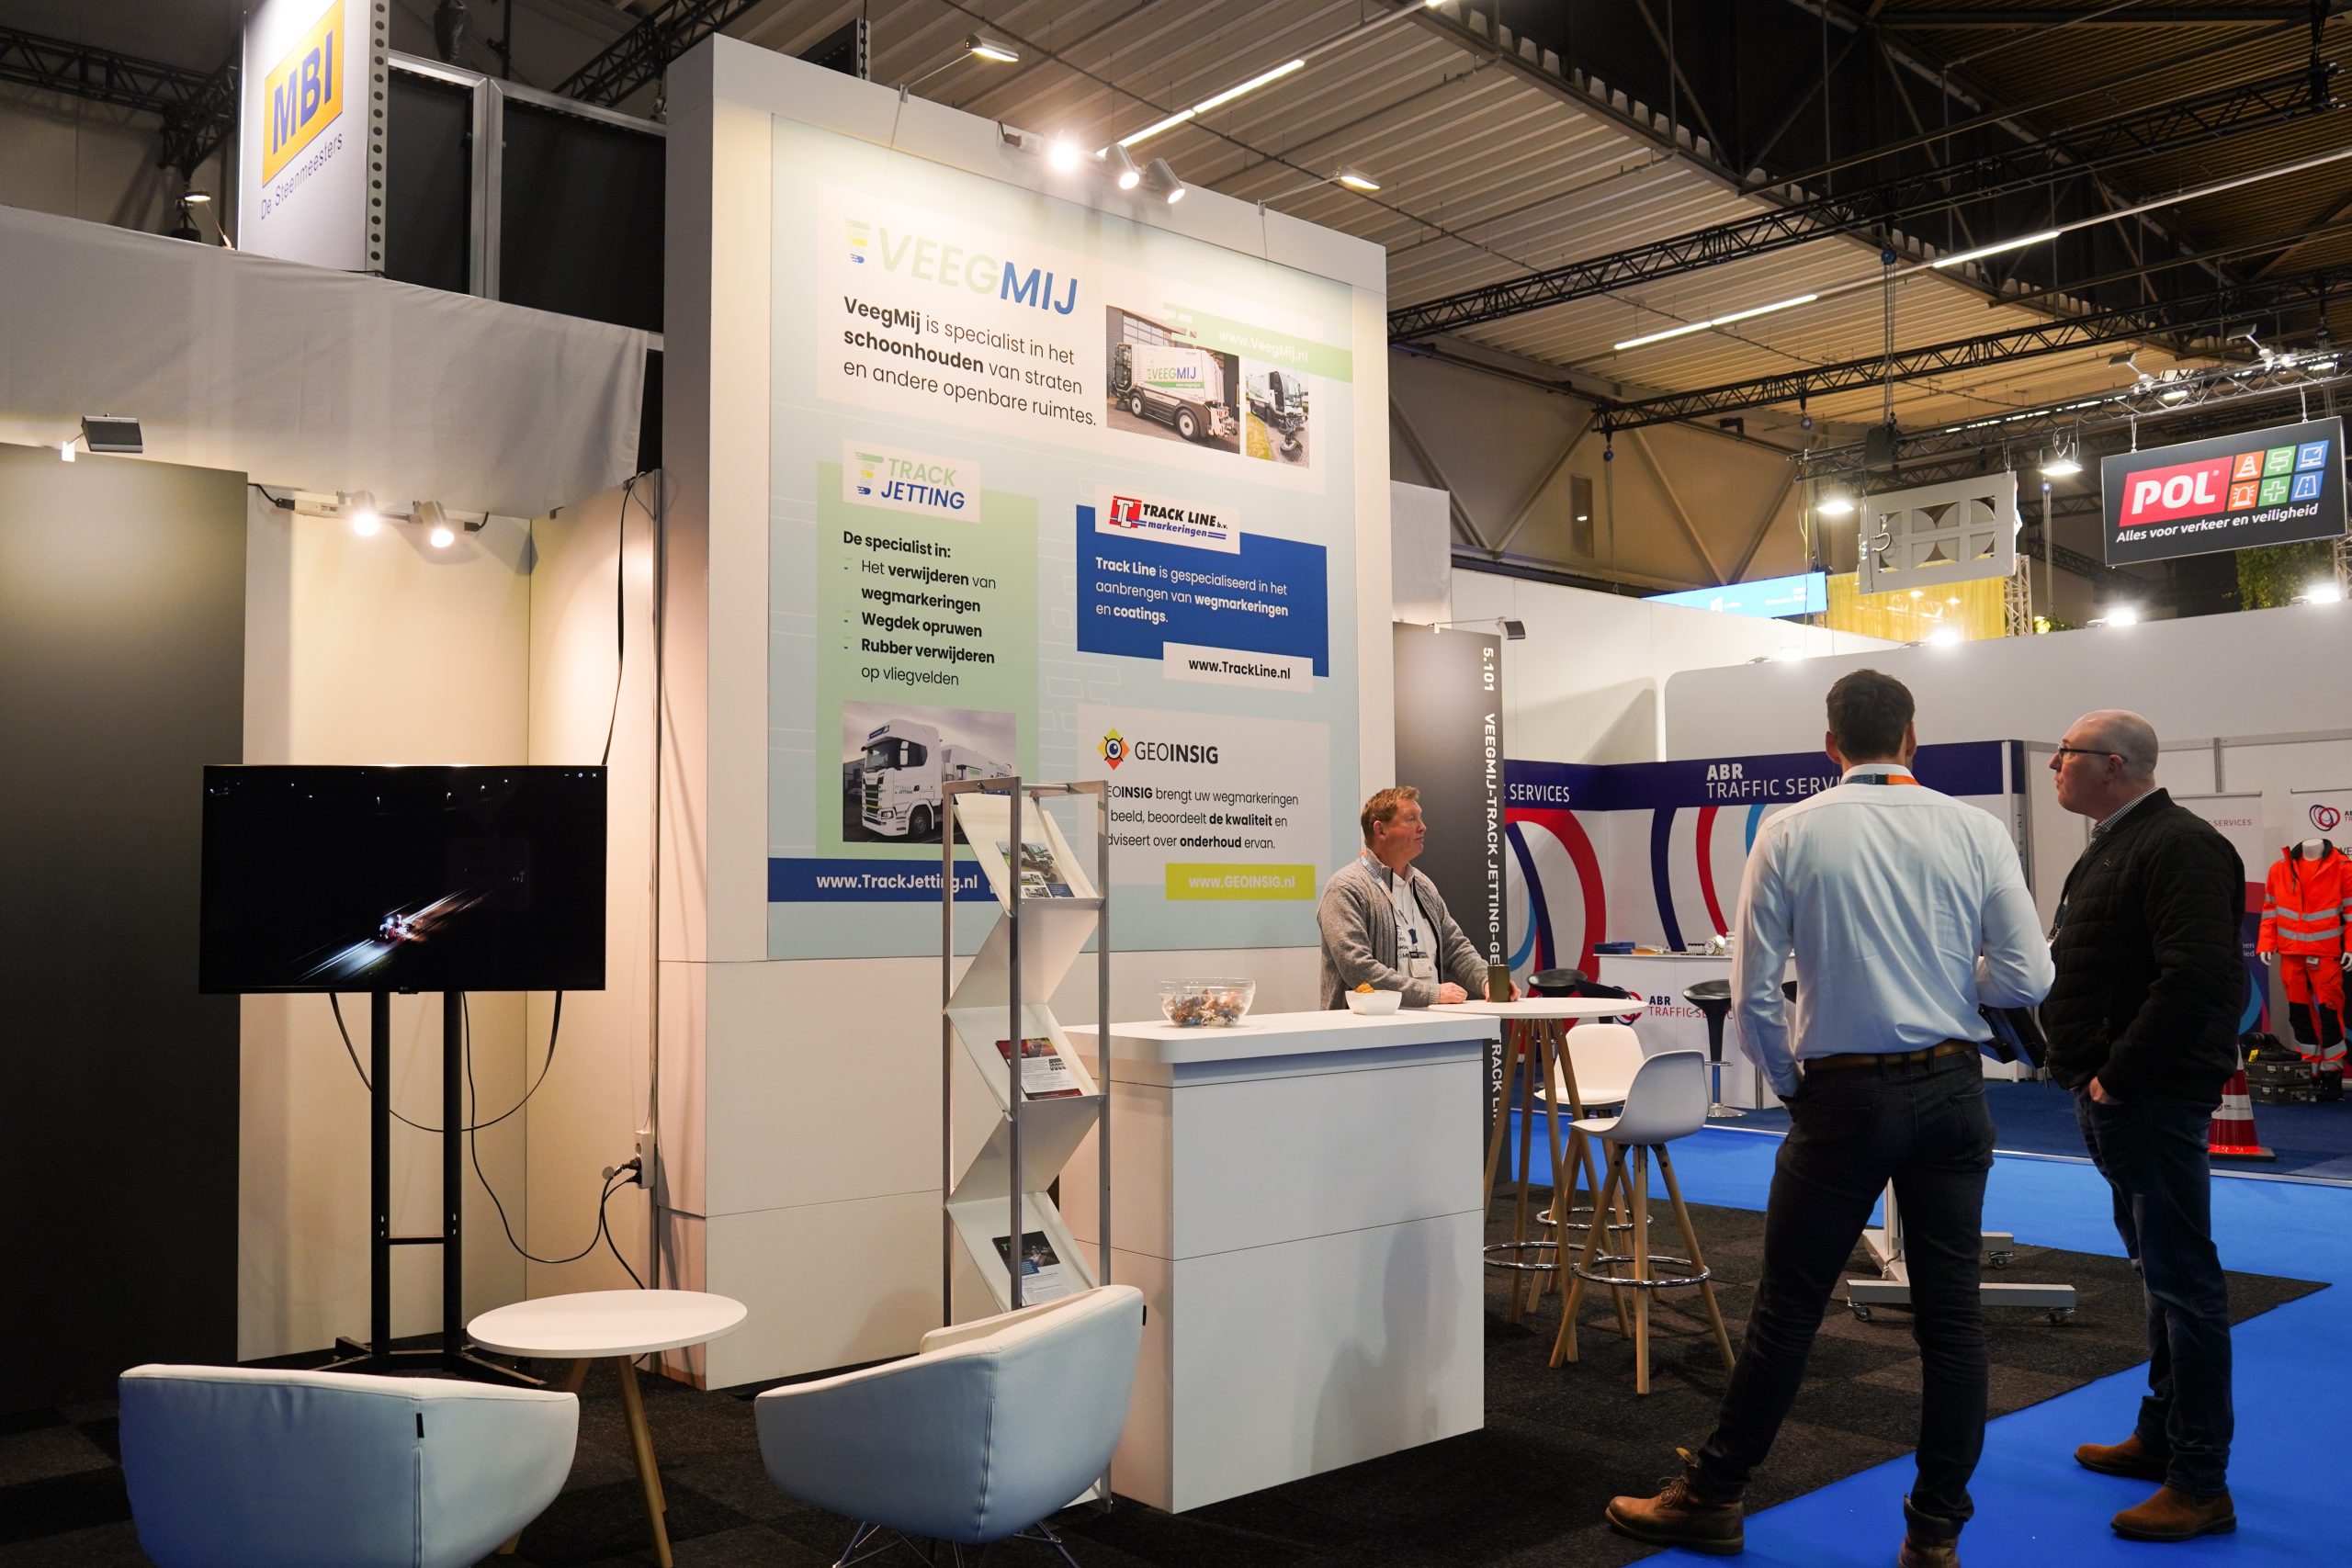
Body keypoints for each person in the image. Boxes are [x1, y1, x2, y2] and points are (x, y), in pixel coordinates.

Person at [1606, 670, 2052, 1568]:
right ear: (1913, 738)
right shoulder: (1975, 829)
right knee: (1952, 1322)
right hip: (1952, 1090)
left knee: (1788, 1312)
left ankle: (1715, 1496)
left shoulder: (1789, 830)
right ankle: (1935, 1534)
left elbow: (1751, 992)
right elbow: (2028, 977)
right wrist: (1946, 979)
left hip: (1842, 1098)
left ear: (1830, 744)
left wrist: (1789, 1085)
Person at [2043, 709, 2244, 1542]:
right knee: (2159, 1276)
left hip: (2148, 1096)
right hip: (2119, 1096)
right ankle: (2162, 1437)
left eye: (2066, 753)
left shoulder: (2179, 844)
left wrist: (2118, 1074)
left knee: (2184, 1283)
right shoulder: (2117, 844)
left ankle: (2200, 1481)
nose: (2054, 764)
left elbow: (2195, 977)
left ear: (2114, 763)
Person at [1317, 785, 1495, 1010]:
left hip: (1430, 1024)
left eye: (1420, 818)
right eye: (1411, 819)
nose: (1423, 827)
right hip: (1368, 1029)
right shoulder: (1345, 888)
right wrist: (1430, 993)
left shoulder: (1423, 885)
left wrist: (1488, 981)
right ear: (1381, 830)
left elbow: (1454, 947)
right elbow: (1358, 969)